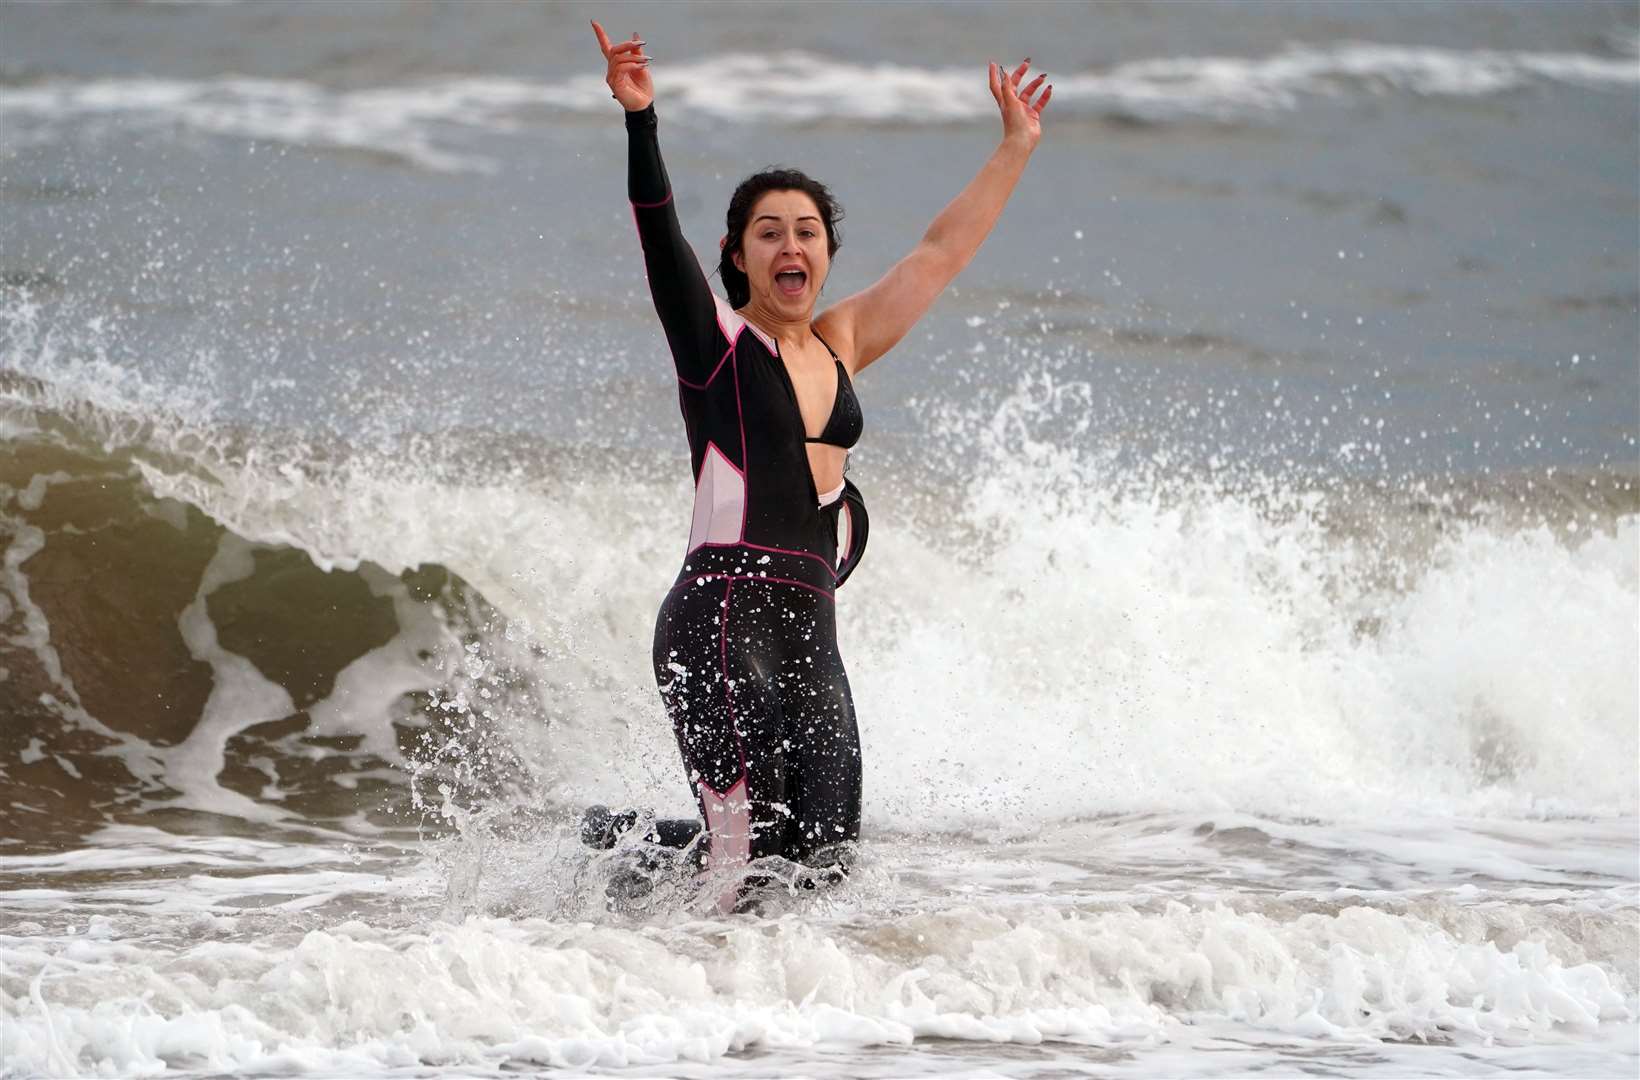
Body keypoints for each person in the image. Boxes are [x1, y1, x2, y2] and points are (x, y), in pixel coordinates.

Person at [589, 19, 1050, 909]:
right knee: (744, 859)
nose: (789, 246)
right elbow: (656, 231)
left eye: (806, 231)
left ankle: (622, 853)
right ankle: (679, 1015)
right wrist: (641, 121)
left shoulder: (842, 344)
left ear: (828, 254)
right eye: (767, 233)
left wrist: (1015, 148)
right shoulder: (714, 345)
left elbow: (940, 254)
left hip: (812, 630)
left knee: (827, 859)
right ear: (737, 257)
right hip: (721, 616)